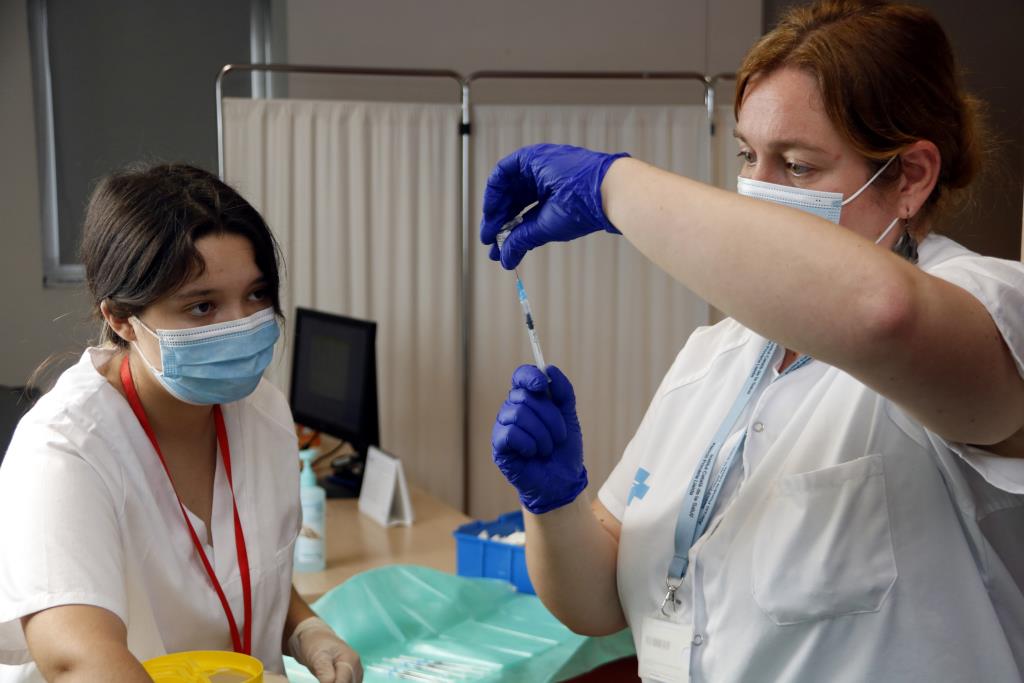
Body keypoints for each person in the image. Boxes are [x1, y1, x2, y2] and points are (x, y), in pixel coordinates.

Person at [482, 1, 1024, 681]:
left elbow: (881, 312)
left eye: (797, 166)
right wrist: (555, 501)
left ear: (910, 177)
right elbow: (599, 601)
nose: (757, 192)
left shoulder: (990, 306)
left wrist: (611, 185)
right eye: (747, 156)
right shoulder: (717, 354)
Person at [0, 164, 362, 683]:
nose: (240, 324)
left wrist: (306, 631)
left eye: (257, 295)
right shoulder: (63, 452)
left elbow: (243, 573)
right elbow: (78, 660)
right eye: (202, 307)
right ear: (122, 318)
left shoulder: (262, 411)